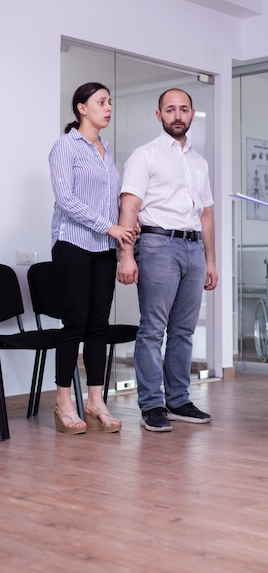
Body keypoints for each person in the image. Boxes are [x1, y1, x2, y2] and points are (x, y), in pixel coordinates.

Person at [117, 88, 218, 432]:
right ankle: (151, 405)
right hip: (158, 244)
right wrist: (126, 255)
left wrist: (211, 261)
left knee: (184, 331)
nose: (178, 115)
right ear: (159, 116)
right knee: (153, 330)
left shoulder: (199, 162)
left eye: (184, 109)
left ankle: (178, 400)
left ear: (192, 114)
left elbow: (206, 215)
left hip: (192, 250)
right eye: (170, 110)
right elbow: (129, 207)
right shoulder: (144, 156)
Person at [49, 82, 137, 434]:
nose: (108, 107)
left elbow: (110, 200)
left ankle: (95, 400)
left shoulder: (107, 149)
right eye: (101, 102)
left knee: (98, 326)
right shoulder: (65, 147)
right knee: (74, 324)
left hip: (102, 248)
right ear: (81, 108)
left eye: (110, 101)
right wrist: (111, 226)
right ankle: (63, 402)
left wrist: (126, 226)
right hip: (72, 244)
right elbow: (66, 200)